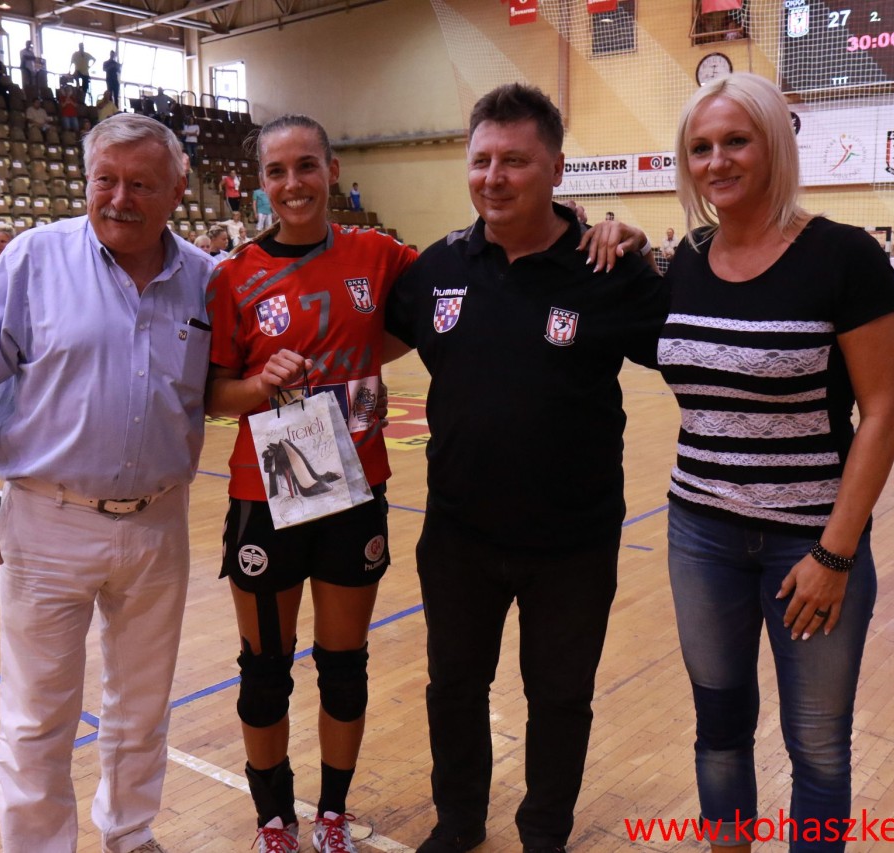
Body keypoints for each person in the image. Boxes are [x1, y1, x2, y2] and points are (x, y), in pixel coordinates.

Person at [383, 83, 666, 853]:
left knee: (560, 698)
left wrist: (645, 242)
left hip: (573, 543)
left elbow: (693, 332)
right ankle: (459, 822)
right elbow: (364, 334)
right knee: (454, 689)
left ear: (557, 169)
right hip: (457, 536)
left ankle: (545, 833)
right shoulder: (439, 266)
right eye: (481, 160)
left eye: (515, 160)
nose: (494, 177)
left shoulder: (606, 267)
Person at [0, 111, 213, 853]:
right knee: (37, 713)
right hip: (46, 518)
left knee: (143, 702)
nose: (119, 199)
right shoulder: (35, 259)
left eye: (141, 184)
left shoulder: (206, 279)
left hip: (159, 519)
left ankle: (129, 830)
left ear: (178, 188)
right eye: (105, 180)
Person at [660, 72, 894, 853]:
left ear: (774, 145)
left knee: (819, 748)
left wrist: (835, 553)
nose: (717, 161)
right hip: (700, 535)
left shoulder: (844, 256)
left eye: (736, 141)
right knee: (719, 730)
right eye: (701, 147)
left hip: (812, 543)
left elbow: (885, 413)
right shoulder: (684, 261)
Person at [204, 112, 418, 853]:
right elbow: (215, 395)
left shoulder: (379, 254)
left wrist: (592, 230)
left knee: (343, 667)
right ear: (259, 183)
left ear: (332, 171)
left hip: (352, 489)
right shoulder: (233, 275)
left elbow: (455, 284)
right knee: (265, 671)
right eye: (276, 171)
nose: (292, 183)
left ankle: (331, 812)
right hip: (266, 492)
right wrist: (262, 383)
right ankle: (274, 820)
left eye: (306, 166)